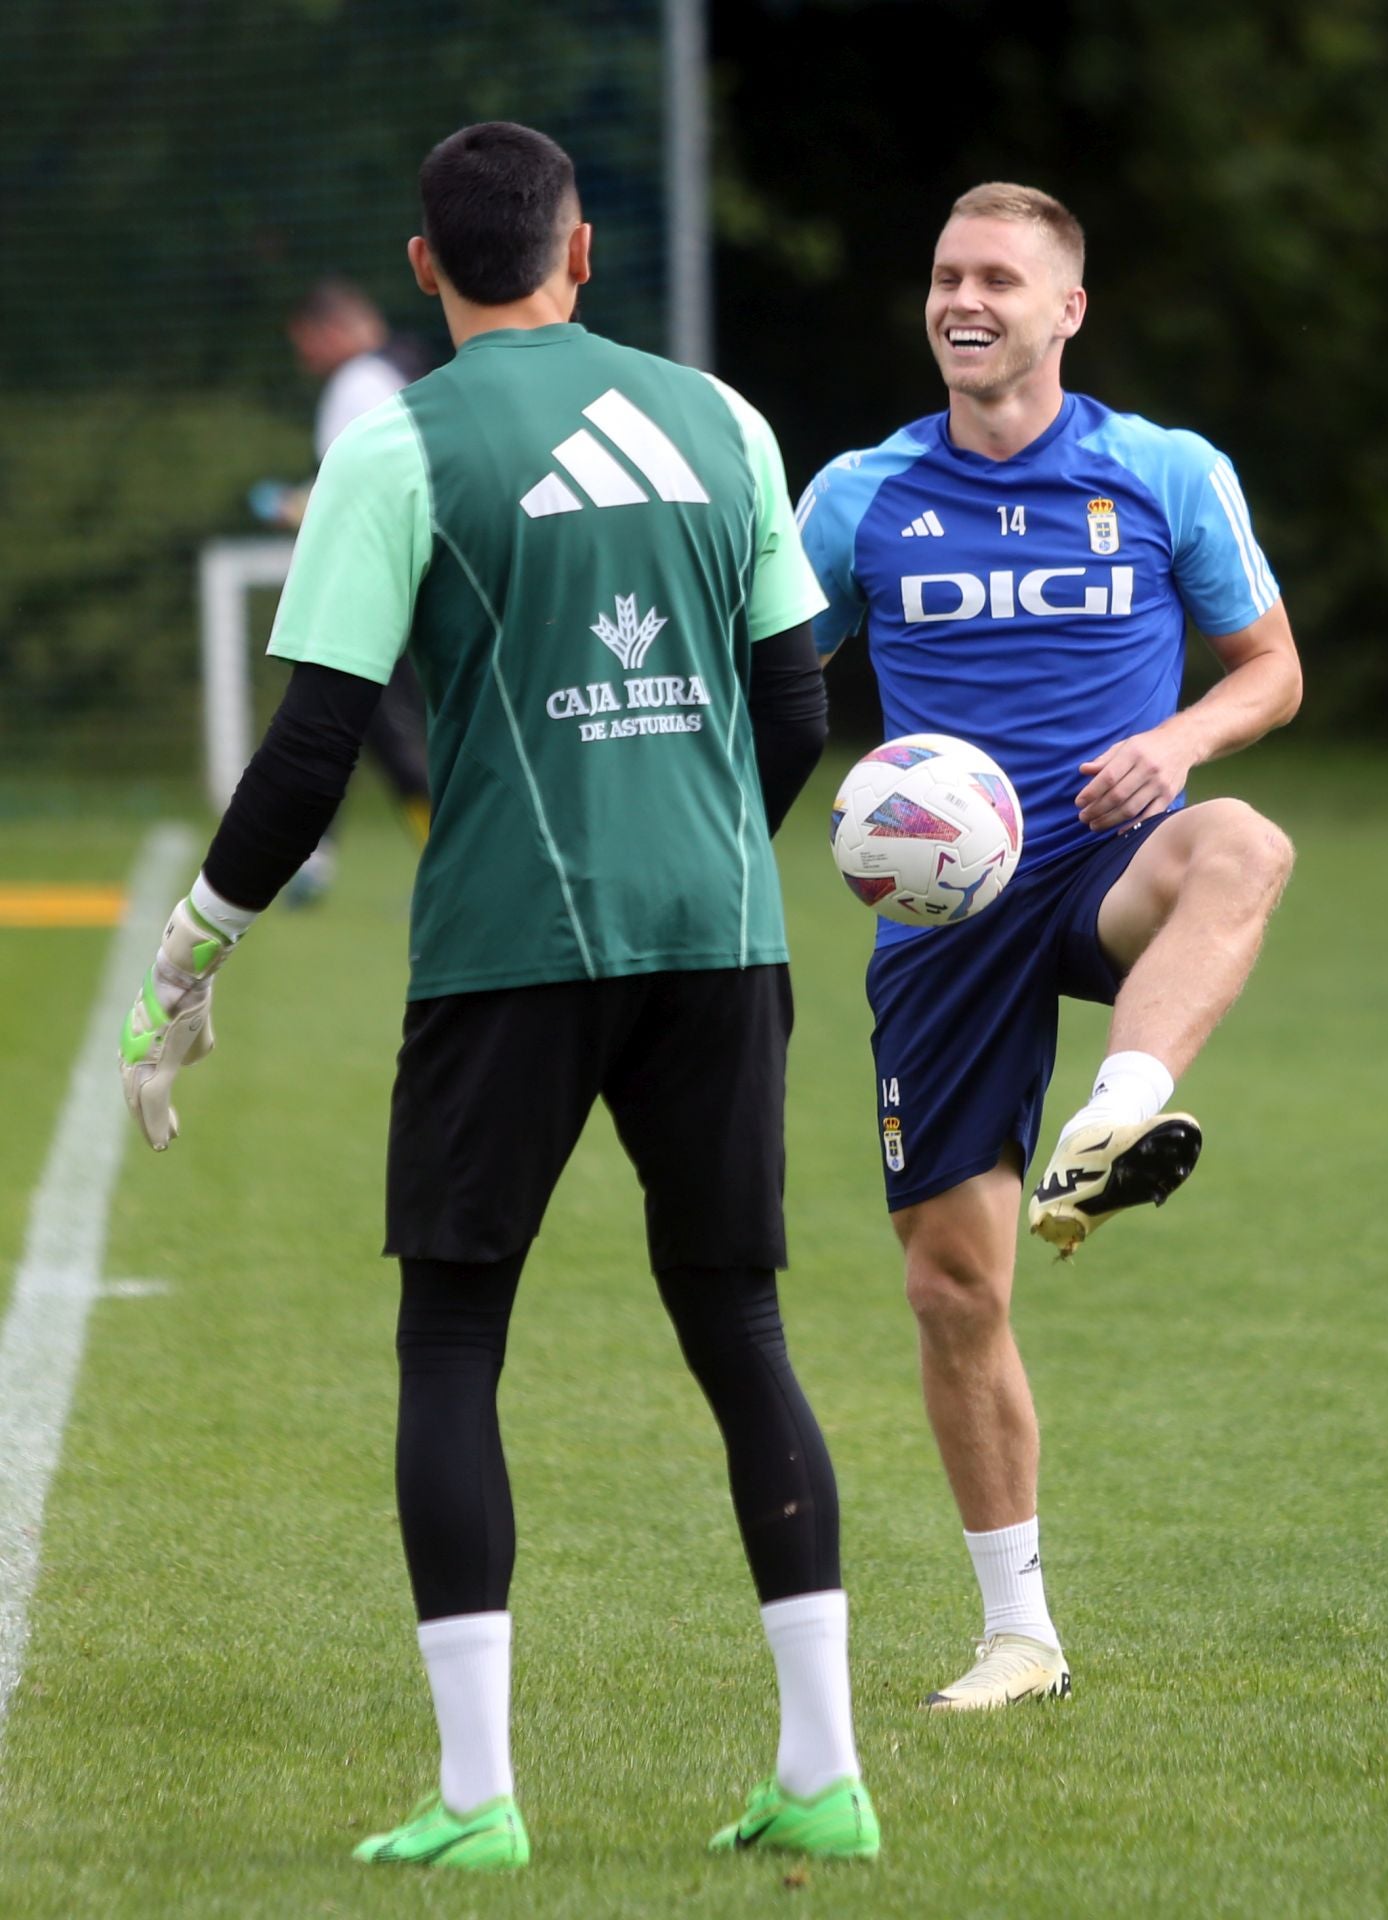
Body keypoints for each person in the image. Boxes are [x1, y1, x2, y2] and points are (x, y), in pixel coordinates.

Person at [119, 121, 879, 1870]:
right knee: (741, 1329)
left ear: (421, 270)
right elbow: (796, 704)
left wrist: (196, 947)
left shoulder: (398, 444)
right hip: (722, 936)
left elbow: (316, 741)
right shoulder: (728, 420)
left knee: (456, 1338)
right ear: (584, 251)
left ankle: (477, 1803)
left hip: (511, 946)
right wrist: (698, 851)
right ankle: (824, 1779)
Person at [797, 182, 1301, 1711]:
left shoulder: (1160, 473)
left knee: (1248, 842)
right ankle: (1019, 1632)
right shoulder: (857, 498)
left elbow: (1270, 671)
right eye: (946, 273)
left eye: (999, 278)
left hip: (1103, 857)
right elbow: (773, 691)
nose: (965, 298)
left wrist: (1177, 736)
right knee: (957, 1290)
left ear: (1064, 309)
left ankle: (1118, 1106)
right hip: (945, 914)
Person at [250, 279, 434, 895]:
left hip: (382, 586)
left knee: (367, 727)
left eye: (305, 344)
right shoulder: (407, 366)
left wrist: (290, 506)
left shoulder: (356, 384)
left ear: (329, 331)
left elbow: (355, 495)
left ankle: (455, 859)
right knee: (350, 724)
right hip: (423, 576)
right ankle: (313, 857)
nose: (304, 359)